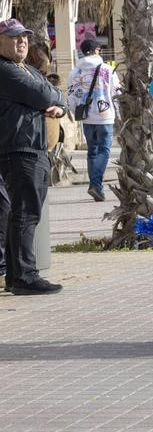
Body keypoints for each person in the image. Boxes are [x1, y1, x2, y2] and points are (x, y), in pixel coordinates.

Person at [0, 18, 67, 294]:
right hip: (20, 148)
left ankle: (17, 275)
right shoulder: (6, 71)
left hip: (34, 148)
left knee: (25, 213)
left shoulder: (24, 69)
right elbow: (42, 93)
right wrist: (53, 98)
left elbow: (57, 95)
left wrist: (58, 105)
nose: (22, 41)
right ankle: (25, 275)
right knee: (25, 213)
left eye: (24, 37)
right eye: (15, 37)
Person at [66, 39, 121, 201]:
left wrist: (76, 111)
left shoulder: (75, 72)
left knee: (92, 151)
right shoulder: (107, 70)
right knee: (104, 151)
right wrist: (118, 114)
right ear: (97, 50)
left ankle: (95, 185)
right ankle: (96, 185)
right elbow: (116, 94)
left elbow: (71, 96)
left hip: (86, 118)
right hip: (105, 117)